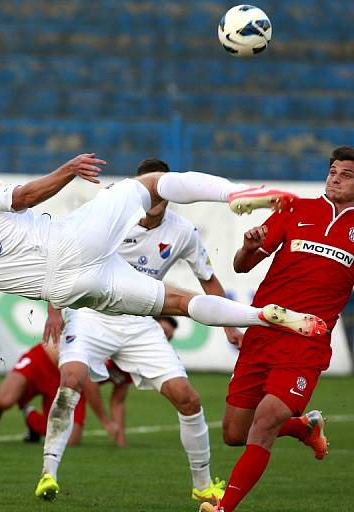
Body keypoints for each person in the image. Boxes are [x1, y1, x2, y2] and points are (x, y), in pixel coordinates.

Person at [0, 139, 326, 337]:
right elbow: (24, 196)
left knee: (176, 303)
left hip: (63, 289)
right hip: (68, 244)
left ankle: (260, 317)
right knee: (152, 183)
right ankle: (240, 193)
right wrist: (68, 170)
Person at [35, 158, 241, 502]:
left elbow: (209, 279)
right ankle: (48, 474)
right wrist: (54, 308)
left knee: (187, 398)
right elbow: (63, 255)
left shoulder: (183, 232)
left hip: (139, 325)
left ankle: (203, 485)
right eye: (151, 188)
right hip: (91, 316)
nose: (156, 198)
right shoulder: (112, 212)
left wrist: (229, 325)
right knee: (70, 380)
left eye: (163, 190)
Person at [198, 146, 354, 512]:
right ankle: (303, 428)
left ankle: (223, 508)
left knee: (264, 424)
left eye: (346, 174)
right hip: (263, 333)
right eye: (332, 171)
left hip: (306, 344)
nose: (335, 178)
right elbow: (240, 266)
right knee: (235, 434)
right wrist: (248, 247)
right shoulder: (297, 209)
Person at [81, 317, 178, 449]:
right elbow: (87, 381)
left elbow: (118, 400)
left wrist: (121, 442)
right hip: (59, 373)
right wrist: (106, 422)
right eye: (164, 332)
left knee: (71, 440)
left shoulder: (136, 358)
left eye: (168, 338)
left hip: (73, 388)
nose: (164, 340)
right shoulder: (118, 341)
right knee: (66, 438)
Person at [0, 340, 87, 447]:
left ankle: (31, 416)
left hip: (72, 376)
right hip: (43, 359)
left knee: (71, 439)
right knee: (4, 399)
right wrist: (105, 421)